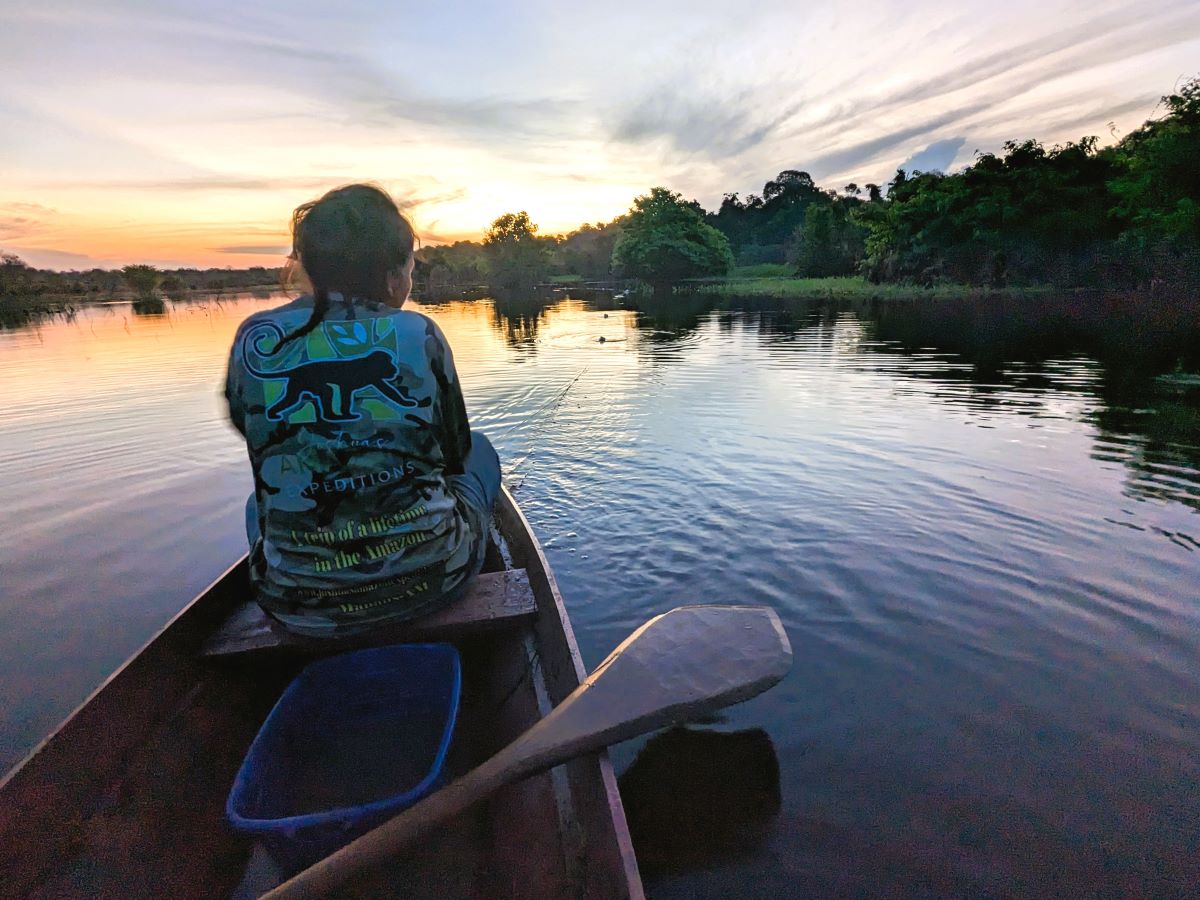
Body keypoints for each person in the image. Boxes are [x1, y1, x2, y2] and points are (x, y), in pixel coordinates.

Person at [224, 184, 500, 635]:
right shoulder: (416, 332)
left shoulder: (256, 333)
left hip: (295, 605)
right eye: (410, 267)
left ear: (310, 268)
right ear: (393, 274)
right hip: (433, 582)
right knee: (482, 452)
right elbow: (455, 452)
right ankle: (438, 549)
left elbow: (253, 428)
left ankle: (309, 577)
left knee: (258, 505)